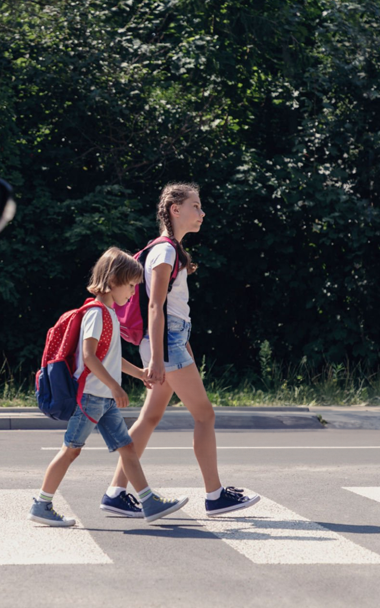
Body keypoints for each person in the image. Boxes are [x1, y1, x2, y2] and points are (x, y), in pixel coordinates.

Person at [100, 183, 261, 518]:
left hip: (171, 341)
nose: (201, 213)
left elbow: (171, 309)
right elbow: (155, 307)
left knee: (150, 417)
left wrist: (177, 346)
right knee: (205, 415)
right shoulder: (165, 252)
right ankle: (215, 495)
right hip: (165, 343)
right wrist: (159, 358)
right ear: (175, 209)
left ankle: (115, 493)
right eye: (196, 206)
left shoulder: (169, 251)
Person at [28, 248, 189, 527]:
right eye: (130, 286)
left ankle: (148, 501)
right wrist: (115, 387)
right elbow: (89, 356)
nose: (132, 294)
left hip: (103, 400)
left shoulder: (109, 314)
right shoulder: (96, 313)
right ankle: (42, 504)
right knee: (71, 450)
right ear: (112, 281)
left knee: (127, 448)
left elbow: (111, 358)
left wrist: (139, 374)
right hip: (91, 397)